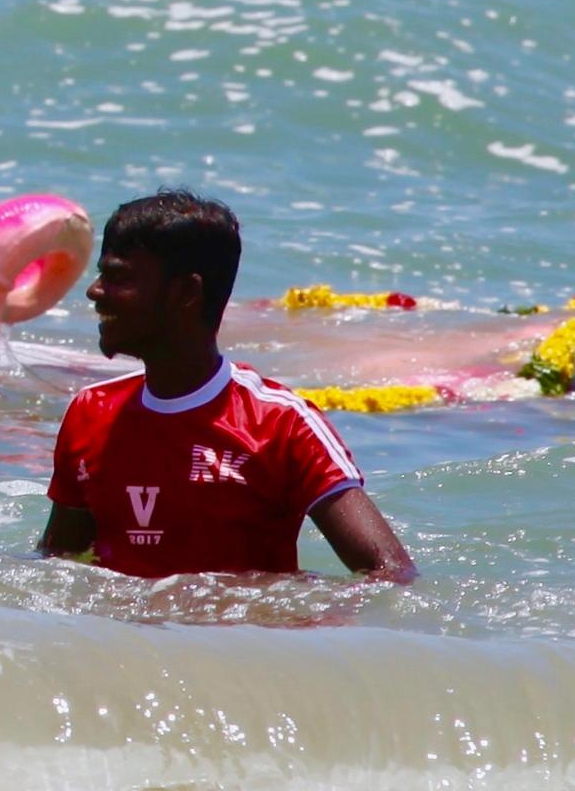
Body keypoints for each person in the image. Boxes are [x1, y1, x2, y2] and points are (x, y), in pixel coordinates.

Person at [39, 191, 415, 587]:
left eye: (118, 278)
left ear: (186, 293)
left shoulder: (281, 425)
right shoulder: (90, 411)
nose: (95, 291)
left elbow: (391, 575)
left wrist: (283, 615)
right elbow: (56, 566)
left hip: (232, 646)